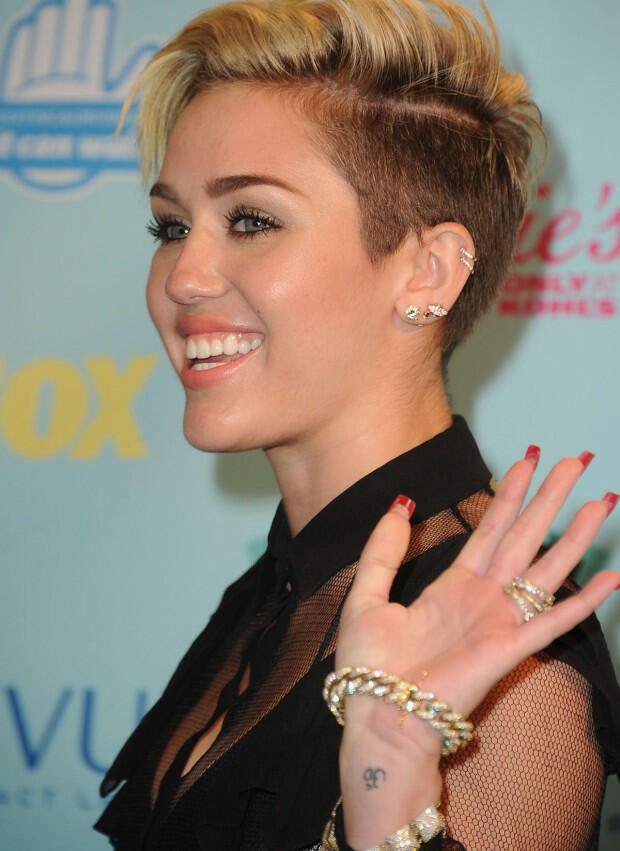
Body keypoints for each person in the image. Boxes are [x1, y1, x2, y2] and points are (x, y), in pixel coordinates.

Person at [94, 1, 620, 848]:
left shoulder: (507, 657)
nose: (182, 275)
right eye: (171, 225)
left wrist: (384, 794)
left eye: (251, 220)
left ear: (428, 270)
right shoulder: (282, 591)